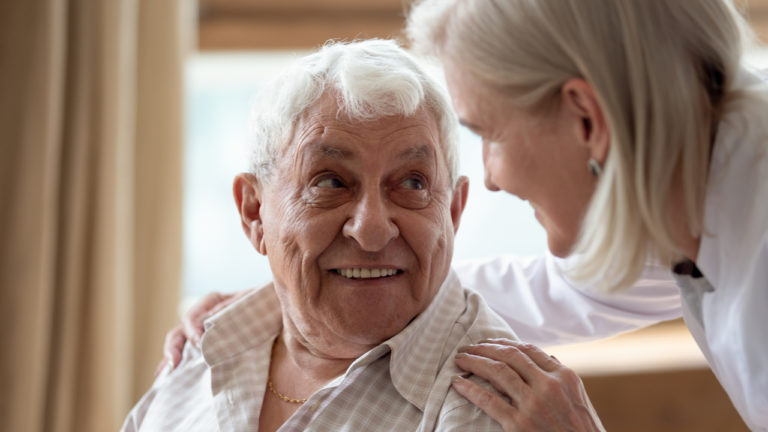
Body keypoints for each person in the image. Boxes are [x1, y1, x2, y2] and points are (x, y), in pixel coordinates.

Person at [166, 0, 768, 430]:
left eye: (490, 134)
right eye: (330, 183)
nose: (494, 177)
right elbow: (554, 292)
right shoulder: (693, 206)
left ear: (586, 121)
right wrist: (294, 282)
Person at [122, 39, 604, 431]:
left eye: (412, 183)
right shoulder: (202, 352)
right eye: (330, 182)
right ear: (254, 212)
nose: (372, 230)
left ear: (453, 211)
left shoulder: (490, 410)